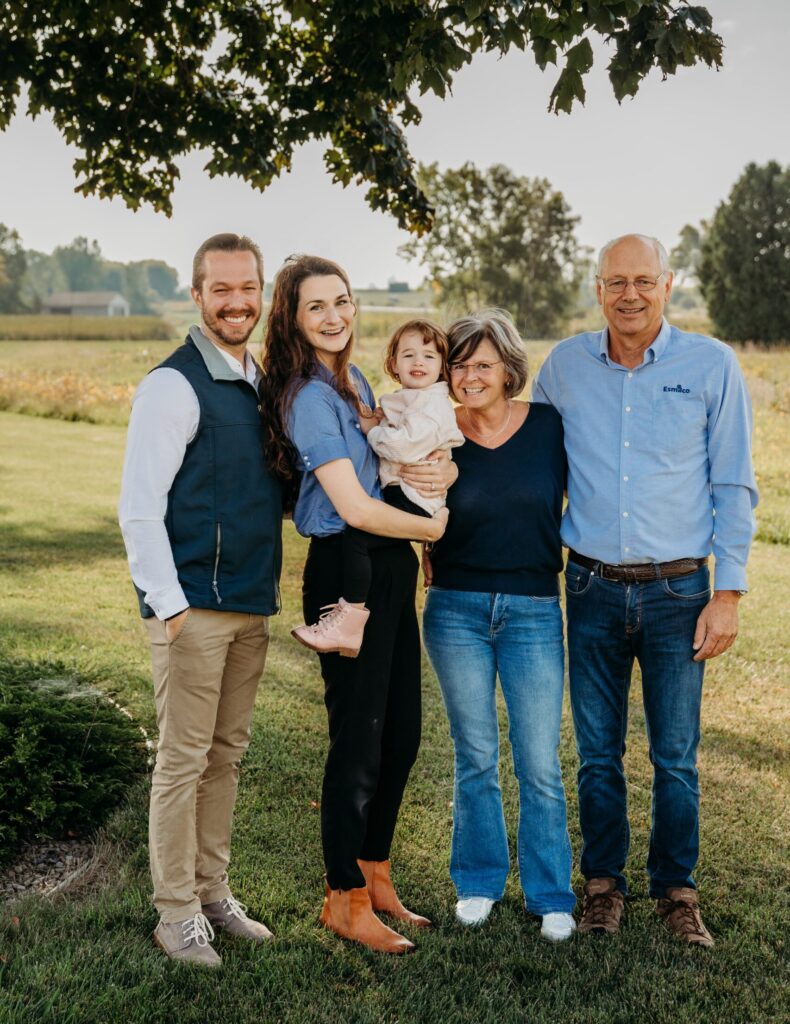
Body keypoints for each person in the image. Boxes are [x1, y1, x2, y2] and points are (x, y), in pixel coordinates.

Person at [532, 233, 758, 948]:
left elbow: (733, 483)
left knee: (675, 757)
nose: (629, 294)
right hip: (590, 587)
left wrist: (728, 593)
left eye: (642, 280)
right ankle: (603, 886)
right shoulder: (564, 367)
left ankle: (677, 890)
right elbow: (532, 472)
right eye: (615, 282)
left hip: (680, 593)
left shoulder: (711, 365)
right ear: (597, 288)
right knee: (597, 755)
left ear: (667, 283)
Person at [260, 255, 455, 954]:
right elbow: (352, 506)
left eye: (341, 301)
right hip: (347, 567)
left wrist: (441, 469)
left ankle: (375, 875)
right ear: (292, 317)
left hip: (390, 563)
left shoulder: (357, 381)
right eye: (316, 306)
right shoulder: (308, 397)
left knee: (401, 733)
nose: (334, 316)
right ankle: (342, 897)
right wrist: (434, 530)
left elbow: (395, 464)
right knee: (359, 738)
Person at [118, 233, 282, 967]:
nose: (236, 302)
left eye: (247, 288)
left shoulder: (261, 381)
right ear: (198, 295)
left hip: (250, 603)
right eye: (221, 290)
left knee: (226, 756)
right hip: (193, 609)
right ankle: (176, 913)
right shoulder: (173, 385)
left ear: (262, 292)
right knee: (183, 761)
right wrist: (169, 606)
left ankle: (213, 893)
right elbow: (139, 508)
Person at [422, 309, 577, 943]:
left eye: (483, 364)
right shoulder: (437, 432)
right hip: (454, 611)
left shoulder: (548, 427)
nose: (470, 376)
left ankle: (551, 894)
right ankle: (480, 882)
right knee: (476, 756)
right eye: (459, 364)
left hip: (533, 611)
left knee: (539, 762)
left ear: (509, 368)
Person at [291, 318, 463, 656]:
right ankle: (349, 620)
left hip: (413, 498)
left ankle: (349, 619)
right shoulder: (409, 398)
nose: (418, 362)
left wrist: (373, 430)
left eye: (429, 356)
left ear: (443, 366)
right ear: (393, 364)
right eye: (408, 355)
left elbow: (401, 448)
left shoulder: (431, 404)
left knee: (357, 536)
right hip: (405, 494)